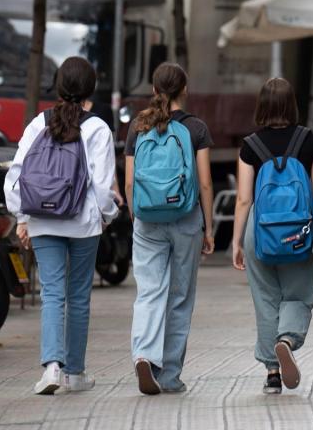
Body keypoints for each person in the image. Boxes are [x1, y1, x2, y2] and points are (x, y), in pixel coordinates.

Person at [3, 57, 119, 395]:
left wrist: (22, 218)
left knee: (52, 293)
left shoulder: (38, 123)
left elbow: (17, 174)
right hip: (82, 222)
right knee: (78, 297)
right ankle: (74, 374)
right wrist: (107, 216)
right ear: (91, 89)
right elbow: (101, 185)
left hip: (42, 219)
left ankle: (51, 368)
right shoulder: (97, 127)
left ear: (57, 86)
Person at [231, 78, 313, 395]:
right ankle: (287, 339)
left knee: (265, 299)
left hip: (259, 233)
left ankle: (272, 371)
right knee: (299, 295)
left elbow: (244, 199)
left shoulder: (250, 145)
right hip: (299, 233)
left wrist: (236, 241)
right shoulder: (309, 141)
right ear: (292, 105)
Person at [125, 62, 215, 395]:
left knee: (149, 291)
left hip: (148, 218)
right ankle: (170, 375)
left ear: (154, 90)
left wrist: (137, 218)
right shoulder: (196, 128)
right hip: (186, 217)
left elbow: (131, 180)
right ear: (184, 90)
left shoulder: (139, 126)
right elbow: (205, 183)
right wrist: (208, 228)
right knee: (179, 297)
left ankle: (144, 355)